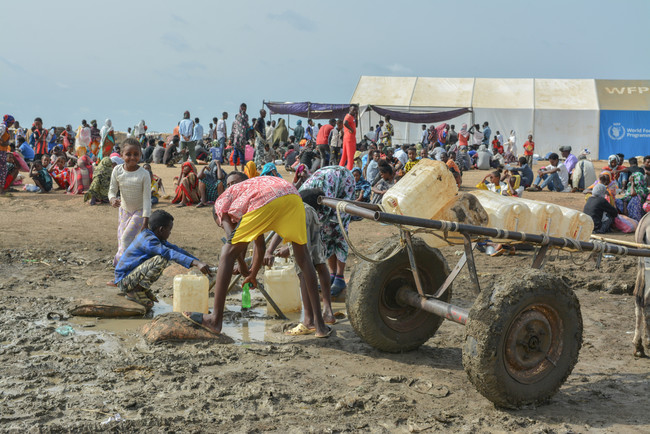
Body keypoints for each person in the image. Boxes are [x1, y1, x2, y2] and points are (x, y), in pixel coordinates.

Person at [182, 172, 330, 338]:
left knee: (226, 252)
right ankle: (320, 326)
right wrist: (252, 273)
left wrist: (243, 265)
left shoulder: (220, 204)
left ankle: (215, 320)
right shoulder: (246, 200)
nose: (226, 224)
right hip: (292, 195)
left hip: (268, 198)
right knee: (303, 258)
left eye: (220, 224)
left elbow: (231, 241)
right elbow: (259, 245)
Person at [264, 188, 336, 328]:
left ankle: (308, 320)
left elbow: (280, 230)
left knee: (302, 268)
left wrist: (269, 251)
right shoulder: (311, 210)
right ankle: (328, 311)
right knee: (320, 263)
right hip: (311, 217)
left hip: (298, 214)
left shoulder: (288, 205)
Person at [115, 209, 211, 310]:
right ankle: (134, 292)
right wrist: (195, 263)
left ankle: (141, 289)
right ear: (161, 229)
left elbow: (176, 249)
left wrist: (199, 262)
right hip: (124, 281)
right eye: (169, 230)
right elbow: (168, 252)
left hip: (130, 277)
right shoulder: (148, 240)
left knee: (162, 256)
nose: (170, 233)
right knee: (161, 259)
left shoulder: (155, 237)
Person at [300, 166, 355, 297]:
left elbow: (324, 215)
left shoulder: (325, 190)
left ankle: (340, 277)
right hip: (326, 191)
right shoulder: (301, 195)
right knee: (326, 234)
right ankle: (332, 274)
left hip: (344, 185)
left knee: (338, 231)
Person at [108, 138, 152, 267]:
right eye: (128, 154)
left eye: (136, 154)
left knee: (126, 238)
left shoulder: (144, 174)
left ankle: (119, 267)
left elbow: (147, 198)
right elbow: (112, 190)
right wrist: (112, 199)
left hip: (139, 212)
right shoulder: (117, 170)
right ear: (121, 155)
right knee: (121, 241)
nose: (132, 157)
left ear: (140, 155)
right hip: (124, 211)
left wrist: (145, 219)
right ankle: (129, 266)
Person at [338, 106, 358, 170]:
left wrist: (356, 116)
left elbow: (356, 125)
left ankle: (339, 168)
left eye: (355, 110)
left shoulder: (352, 117)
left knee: (345, 156)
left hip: (348, 138)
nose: (354, 111)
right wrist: (351, 129)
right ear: (350, 109)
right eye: (353, 110)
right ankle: (350, 170)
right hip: (350, 138)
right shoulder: (348, 116)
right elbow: (345, 123)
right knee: (350, 156)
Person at [230, 104, 249, 170]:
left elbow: (233, 130)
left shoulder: (243, 117)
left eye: (245, 108)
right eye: (243, 108)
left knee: (239, 152)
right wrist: (231, 139)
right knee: (238, 152)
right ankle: (238, 167)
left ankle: (239, 167)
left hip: (239, 138)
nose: (244, 110)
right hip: (239, 138)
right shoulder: (242, 117)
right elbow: (233, 130)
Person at [0, 114, 15, 195]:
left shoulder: (4, 128)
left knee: (3, 170)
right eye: (11, 122)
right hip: (1, 151)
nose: (12, 124)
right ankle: (1, 190)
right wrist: (3, 142)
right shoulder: (2, 127)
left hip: (3, 151)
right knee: (2, 170)